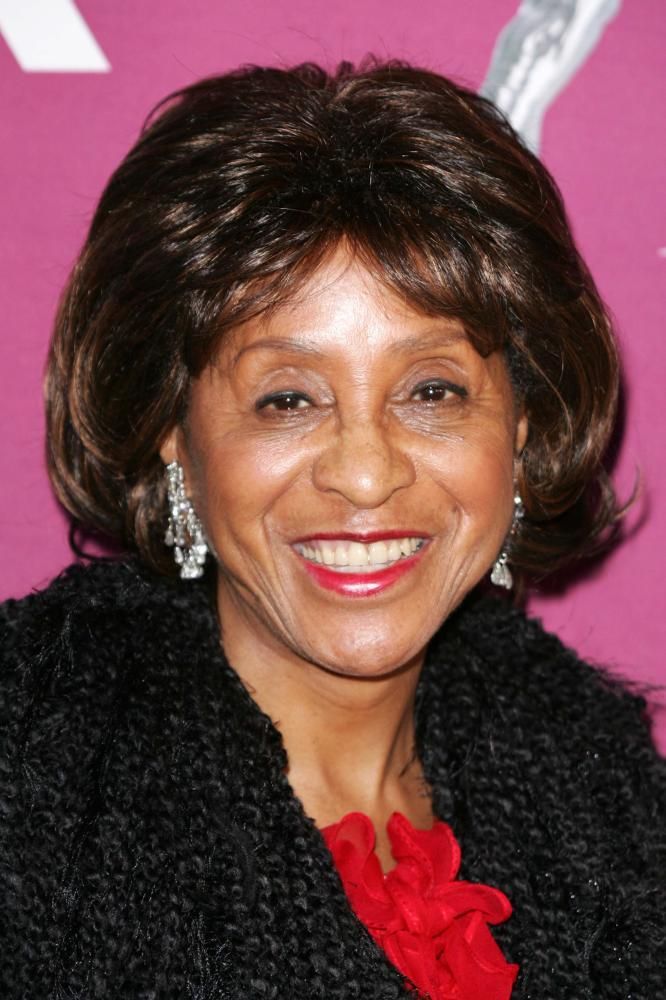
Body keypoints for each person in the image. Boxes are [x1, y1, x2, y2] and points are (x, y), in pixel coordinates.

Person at [0, 59, 663, 1000]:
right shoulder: (36, 769)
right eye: (288, 399)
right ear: (171, 433)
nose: (364, 471)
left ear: (520, 430)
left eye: (432, 391)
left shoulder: (598, 787)